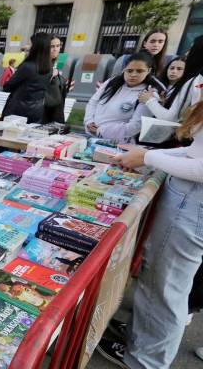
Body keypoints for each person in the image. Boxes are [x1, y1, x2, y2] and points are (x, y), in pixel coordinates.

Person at [96, 100, 203, 368]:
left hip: (192, 205)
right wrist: (146, 153)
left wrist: (148, 157)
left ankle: (146, 360)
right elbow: (196, 152)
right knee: (157, 279)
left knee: (166, 287)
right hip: (187, 199)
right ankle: (141, 341)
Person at [84, 51, 164, 143]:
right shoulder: (112, 82)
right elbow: (93, 102)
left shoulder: (148, 94)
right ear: (124, 69)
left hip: (117, 144)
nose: (133, 75)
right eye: (129, 70)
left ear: (148, 71)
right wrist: (89, 122)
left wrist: (101, 130)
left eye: (139, 71)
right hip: (91, 137)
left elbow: (135, 127)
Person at [138, 36, 203, 124]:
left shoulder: (194, 80)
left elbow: (171, 118)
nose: (187, 53)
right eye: (171, 68)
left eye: (191, 49)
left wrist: (149, 100)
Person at [2, 32, 56, 124]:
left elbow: (7, 86)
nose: (28, 47)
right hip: (36, 112)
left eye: (31, 44)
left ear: (36, 47)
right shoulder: (50, 68)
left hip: (17, 112)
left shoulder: (27, 66)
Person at [43, 35, 71, 124]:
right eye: (52, 46)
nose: (55, 49)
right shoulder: (42, 65)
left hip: (57, 112)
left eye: (58, 46)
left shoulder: (60, 61)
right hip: (44, 113)